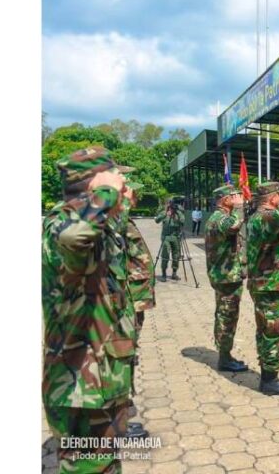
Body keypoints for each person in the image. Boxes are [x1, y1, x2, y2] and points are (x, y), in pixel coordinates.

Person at [42, 146, 136, 472]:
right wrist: (107, 195)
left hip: (104, 376)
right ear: (94, 183)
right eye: (116, 175)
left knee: (106, 463)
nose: (123, 181)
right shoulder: (61, 222)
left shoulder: (101, 224)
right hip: (77, 385)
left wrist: (114, 203)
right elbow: (76, 238)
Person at [246, 181, 279, 395]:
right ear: (271, 198)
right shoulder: (266, 216)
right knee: (273, 329)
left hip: (265, 283)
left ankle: (268, 375)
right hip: (269, 285)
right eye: (278, 195)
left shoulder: (259, 217)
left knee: (266, 329)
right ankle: (270, 381)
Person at [123, 180, 156, 439]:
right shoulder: (111, 219)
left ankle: (118, 411)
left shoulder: (121, 219)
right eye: (129, 188)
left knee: (127, 353)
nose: (135, 193)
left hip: (132, 298)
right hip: (124, 301)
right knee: (121, 355)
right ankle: (115, 419)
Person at [205, 184, 250, 373]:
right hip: (225, 277)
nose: (239, 197)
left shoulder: (222, 216)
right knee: (226, 316)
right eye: (235, 196)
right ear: (225, 200)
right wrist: (240, 208)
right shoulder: (219, 218)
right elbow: (233, 227)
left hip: (228, 275)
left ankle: (226, 355)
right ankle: (224, 359)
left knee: (227, 315)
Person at [155, 198, 185, 281]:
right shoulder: (164, 212)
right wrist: (165, 213)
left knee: (176, 255)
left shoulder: (178, 213)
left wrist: (178, 212)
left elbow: (183, 221)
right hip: (166, 237)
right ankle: (164, 273)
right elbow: (157, 220)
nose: (171, 206)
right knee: (165, 254)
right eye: (169, 204)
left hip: (176, 237)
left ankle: (174, 273)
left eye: (172, 204)